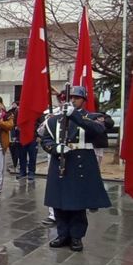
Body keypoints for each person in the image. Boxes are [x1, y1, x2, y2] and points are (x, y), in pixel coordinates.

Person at [41, 86, 111, 252]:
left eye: (76, 98)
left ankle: (76, 236)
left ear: (83, 100)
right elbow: (45, 140)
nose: (72, 100)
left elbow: (99, 130)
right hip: (61, 161)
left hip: (81, 162)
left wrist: (75, 116)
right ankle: (63, 234)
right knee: (58, 202)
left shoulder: (91, 117)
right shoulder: (54, 120)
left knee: (77, 203)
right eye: (69, 97)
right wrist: (55, 148)